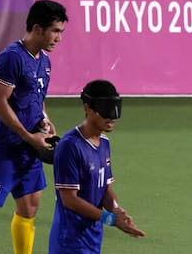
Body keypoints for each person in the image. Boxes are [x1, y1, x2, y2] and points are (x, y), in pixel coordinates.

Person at [0, 0, 68, 254]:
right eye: (55, 31)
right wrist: (28, 136)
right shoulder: (11, 57)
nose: (59, 38)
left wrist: (45, 120)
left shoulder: (45, 62)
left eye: (61, 32)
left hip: (30, 148)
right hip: (4, 148)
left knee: (29, 207)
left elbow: (36, 100)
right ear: (37, 28)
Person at [48, 79, 146, 254]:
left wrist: (116, 210)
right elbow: (69, 199)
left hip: (92, 238)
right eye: (105, 110)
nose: (112, 117)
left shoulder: (104, 144)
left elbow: (105, 187)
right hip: (69, 241)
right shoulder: (70, 146)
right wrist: (109, 219)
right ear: (88, 108)